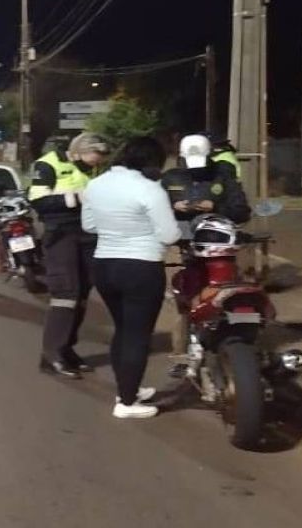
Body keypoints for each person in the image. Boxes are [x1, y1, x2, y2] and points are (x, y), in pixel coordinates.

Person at [82, 137, 182, 419]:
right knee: (138, 335)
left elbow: (89, 225)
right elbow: (169, 235)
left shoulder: (95, 184)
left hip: (104, 264)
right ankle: (126, 403)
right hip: (141, 266)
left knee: (123, 329)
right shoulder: (149, 189)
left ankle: (127, 389)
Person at [161, 134, 252, 375]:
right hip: (183, 242)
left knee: (227, 288)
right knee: (185, 298)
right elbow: (155, 209)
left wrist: (216, 207)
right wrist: (173, 207)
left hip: (220, 244)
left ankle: (240, 338)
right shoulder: (170, 179)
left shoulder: (224, 175)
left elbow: (242, 210)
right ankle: (182, 356)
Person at [29, 132, 112, 379]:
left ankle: (66, 348)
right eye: (95, 156)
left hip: (88, 233)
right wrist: (75, 198)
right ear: (78, 152)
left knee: (83, 292)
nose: (97, 162)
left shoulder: (94, 168)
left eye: (101, 159)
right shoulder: (47, 164)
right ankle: (51, 353)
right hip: (60, 234)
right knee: (66, 293)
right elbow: (38, 201)